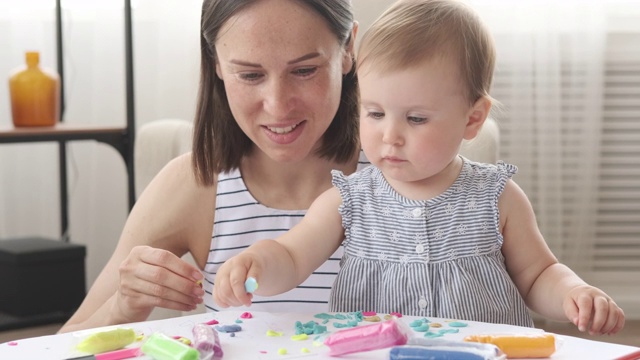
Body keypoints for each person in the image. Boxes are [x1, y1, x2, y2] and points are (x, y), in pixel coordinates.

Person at [213, 0, 625, 335]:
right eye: (374, 114)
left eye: (415, 119)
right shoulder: (349, 199)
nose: (390, 136)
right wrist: (258, 265)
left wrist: (573, 293)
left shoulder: (495, 197)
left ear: (472, 119)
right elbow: (291, 255)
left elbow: (538, 276)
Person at [59, 0, 364, 333]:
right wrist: (122, 306)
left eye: (304, 70)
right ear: (215, 62)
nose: (277, 106)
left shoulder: (403, 177)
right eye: (250, 75)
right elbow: (58, 347)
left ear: (348, 47)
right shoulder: (196, 185)